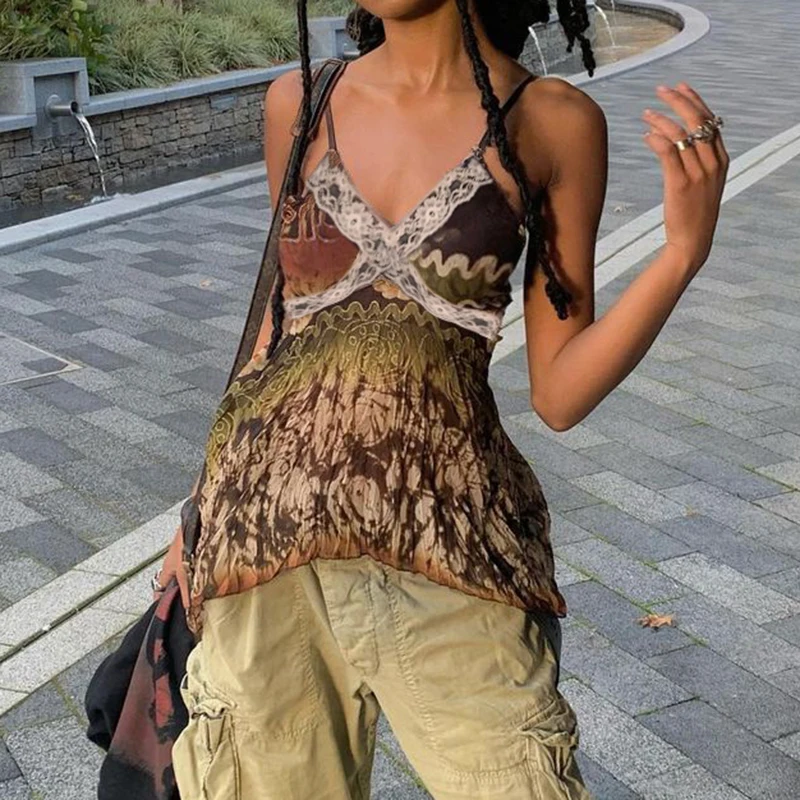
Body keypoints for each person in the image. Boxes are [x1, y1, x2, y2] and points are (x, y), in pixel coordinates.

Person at [156, 0, 729, 797]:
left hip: (452, 545)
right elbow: (274, 335)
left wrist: (681, 254)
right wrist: (196, 515)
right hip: (265, 552)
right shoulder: (301, 100)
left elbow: (560, 394)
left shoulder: (551, 121)